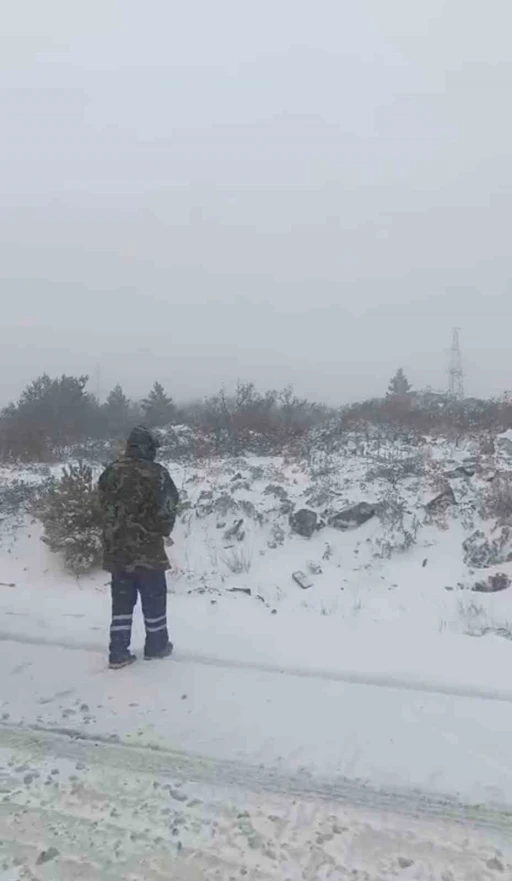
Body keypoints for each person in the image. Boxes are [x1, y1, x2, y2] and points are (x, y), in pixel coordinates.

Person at [98, 426, 180, 669]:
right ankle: (156, 646)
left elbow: (102, 506)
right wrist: (161, 531)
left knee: (122, 603)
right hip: (148, 550)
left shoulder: (110, 472)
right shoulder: (157, 473)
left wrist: (114, 530)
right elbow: (169, 507)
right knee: (154, 599)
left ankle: (118, 652)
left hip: (117, 549)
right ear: (148, 447)